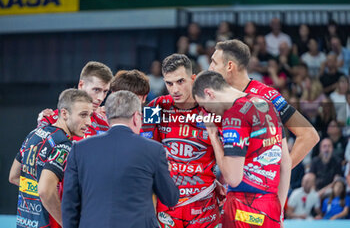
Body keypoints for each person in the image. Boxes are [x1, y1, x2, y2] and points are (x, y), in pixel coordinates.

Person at [62, 91, 179, 228]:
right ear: (136, 117)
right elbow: (171, 198)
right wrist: (167, 172)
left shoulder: (79, 149)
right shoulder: (154, 150)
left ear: (108, 118)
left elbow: (69, 204)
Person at [192, 70, 291, 227]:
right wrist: (279, 211)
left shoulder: (235, 115)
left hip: (243, 207)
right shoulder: (267, 104)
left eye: (205, 106)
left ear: (209, 93)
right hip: (271, 207)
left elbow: (233, 178)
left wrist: (213, 136)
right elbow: (285, 163)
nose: (208, 112)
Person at [209, 39, 319, 169]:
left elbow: (309, 135)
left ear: (229, 66)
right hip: (230, 184)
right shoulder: (214, 97)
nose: (210, 68)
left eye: (214, 63)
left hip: (260, 186)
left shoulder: (265, 95)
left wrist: (282, 173)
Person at [141, 54, 222, 227]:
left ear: (193, 78)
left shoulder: (211, 108)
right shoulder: (155, 107)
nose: (175, 89)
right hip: (169, 206)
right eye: (169, 83)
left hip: (205, 205)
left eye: (180, 81)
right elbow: (145, 153)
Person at [9, 89, 93, 228]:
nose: (89, 122)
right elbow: (45, 191)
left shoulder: (34, 134)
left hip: (23, 223)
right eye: (83, 115)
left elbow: (13, 176)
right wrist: (68, 224)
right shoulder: (64, 145)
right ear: (64, 113)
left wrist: (39, 193)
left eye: (90, 115)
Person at [38, 61, 113, 140]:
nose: (101, 98)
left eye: (105, 92)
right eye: (96, 90)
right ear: (81, 85)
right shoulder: (50, 120)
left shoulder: (104, 124)